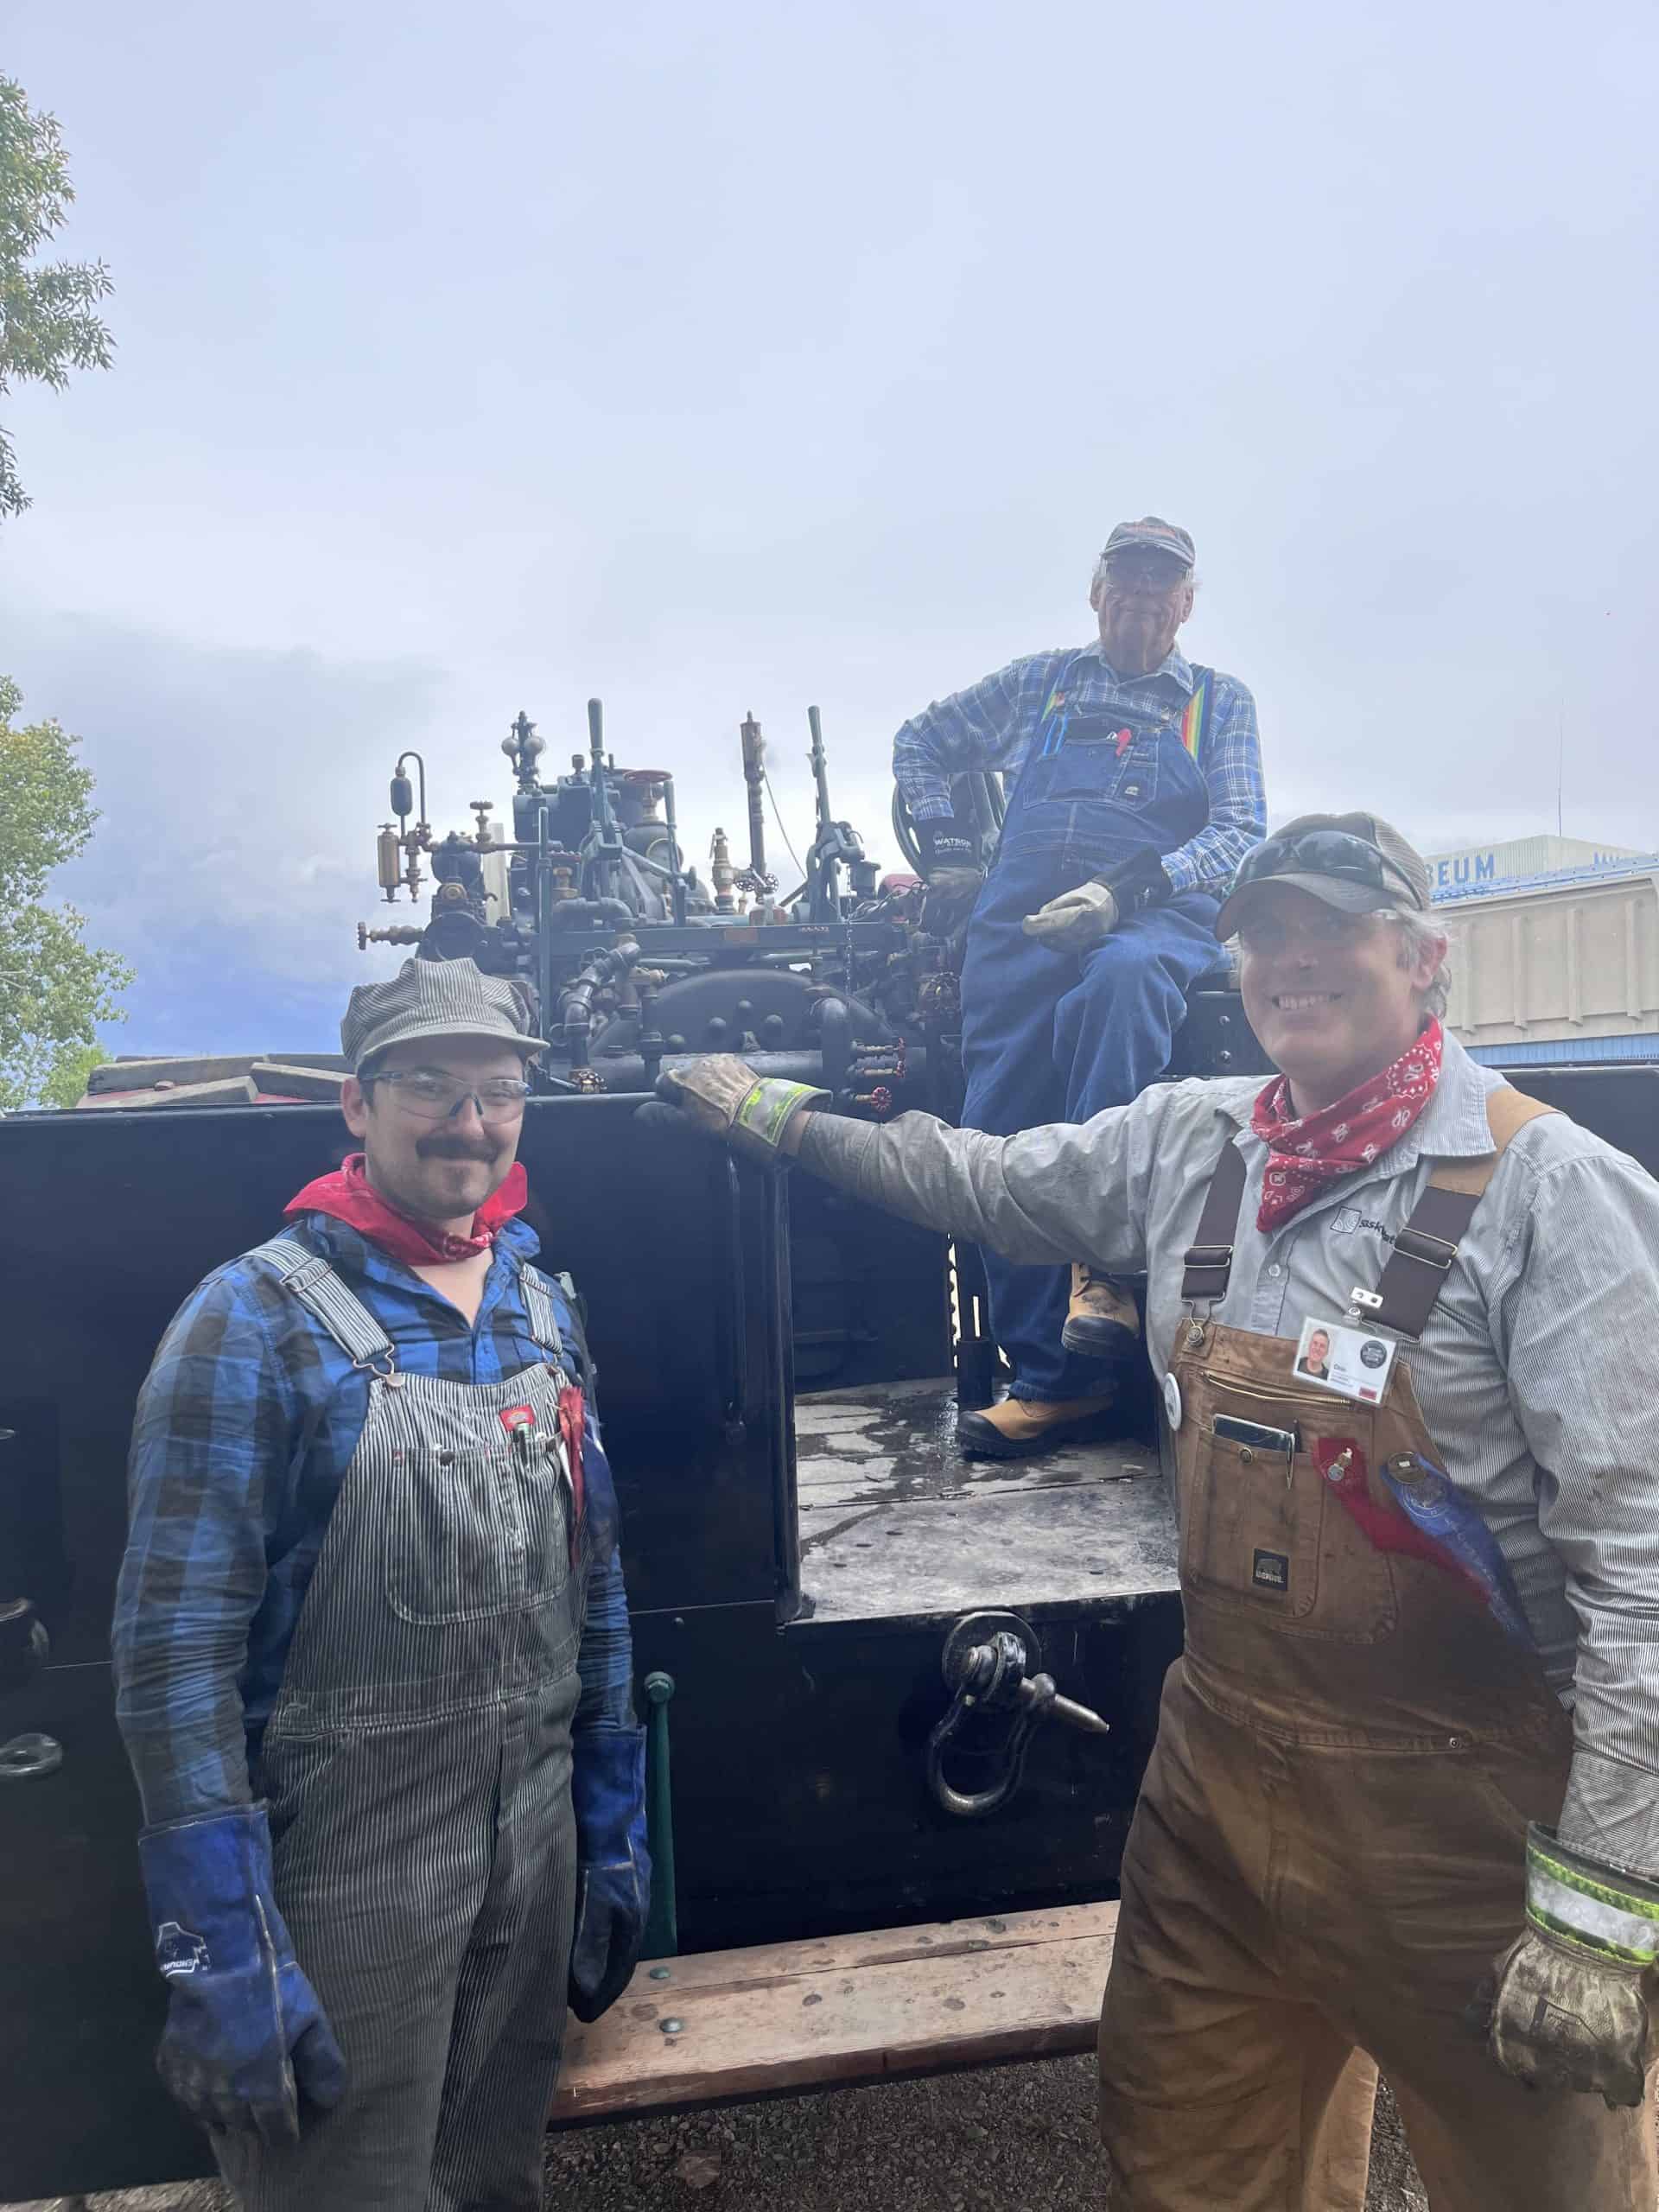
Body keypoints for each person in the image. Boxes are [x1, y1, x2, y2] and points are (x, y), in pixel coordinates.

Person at [649, 814, 1659, 2210]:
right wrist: (780, 1121)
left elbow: (1643, 1582)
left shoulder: (1557, 1201)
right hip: (1220, 1797)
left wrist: (1604, 1921)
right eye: (1268, 934)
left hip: (1463, 1840)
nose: (1293, 961)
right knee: (1186, 2160)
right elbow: (983, 1182)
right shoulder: (1195, 1141)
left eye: (1335, 930)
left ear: (1428, 960)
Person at [111, 957, 648, 2212]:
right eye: (429, 1085)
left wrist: (609, 1807)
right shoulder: (250, 1320)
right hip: (343, 1870)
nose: (468, 1123)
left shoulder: (539, 1301)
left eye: (498, 1091)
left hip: (534, 1834)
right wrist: (219, 1938)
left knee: (493, 2181)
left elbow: (598, 1573)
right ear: (356, 1105)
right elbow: (173, 1655)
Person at [893, 516, 1266, 1458]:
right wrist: (944, 850)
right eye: (1126, 580)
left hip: (1152, 919)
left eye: (1162, 584)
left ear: (1187, 603)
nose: (1142, 597)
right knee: (1001, 1135)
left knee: (1127, 981)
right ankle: (1052, 1379)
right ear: (1096, 593)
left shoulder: (1218, 704)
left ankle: (1103, 1271)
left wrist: (1124, 889)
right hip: (1019, 933)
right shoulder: (1038, 684)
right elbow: (920, 743)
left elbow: (1241, 831)